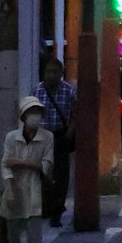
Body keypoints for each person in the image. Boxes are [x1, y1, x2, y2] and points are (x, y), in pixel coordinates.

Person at [1, 95, 58, 243]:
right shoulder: (11, 138)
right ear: (22, 116)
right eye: (31, 112)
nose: (35, 117)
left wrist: (22, 163)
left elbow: (46, 166)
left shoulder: (47, 137)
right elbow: (6, 165)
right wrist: (9, 188)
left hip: (34, 195)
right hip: (14, 195)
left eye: (38, 113)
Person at [35, 55, 77, 229]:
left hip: (60, 136)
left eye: (55, 72)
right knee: (42, 174)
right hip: (42, 137)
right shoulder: (37, 91)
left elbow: (76, 113)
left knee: (61, 176)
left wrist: (69, 133)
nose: (51, 75)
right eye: (48, 72)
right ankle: (46, 207)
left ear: (61, 73)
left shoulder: (69, 91)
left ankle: (57, 212)